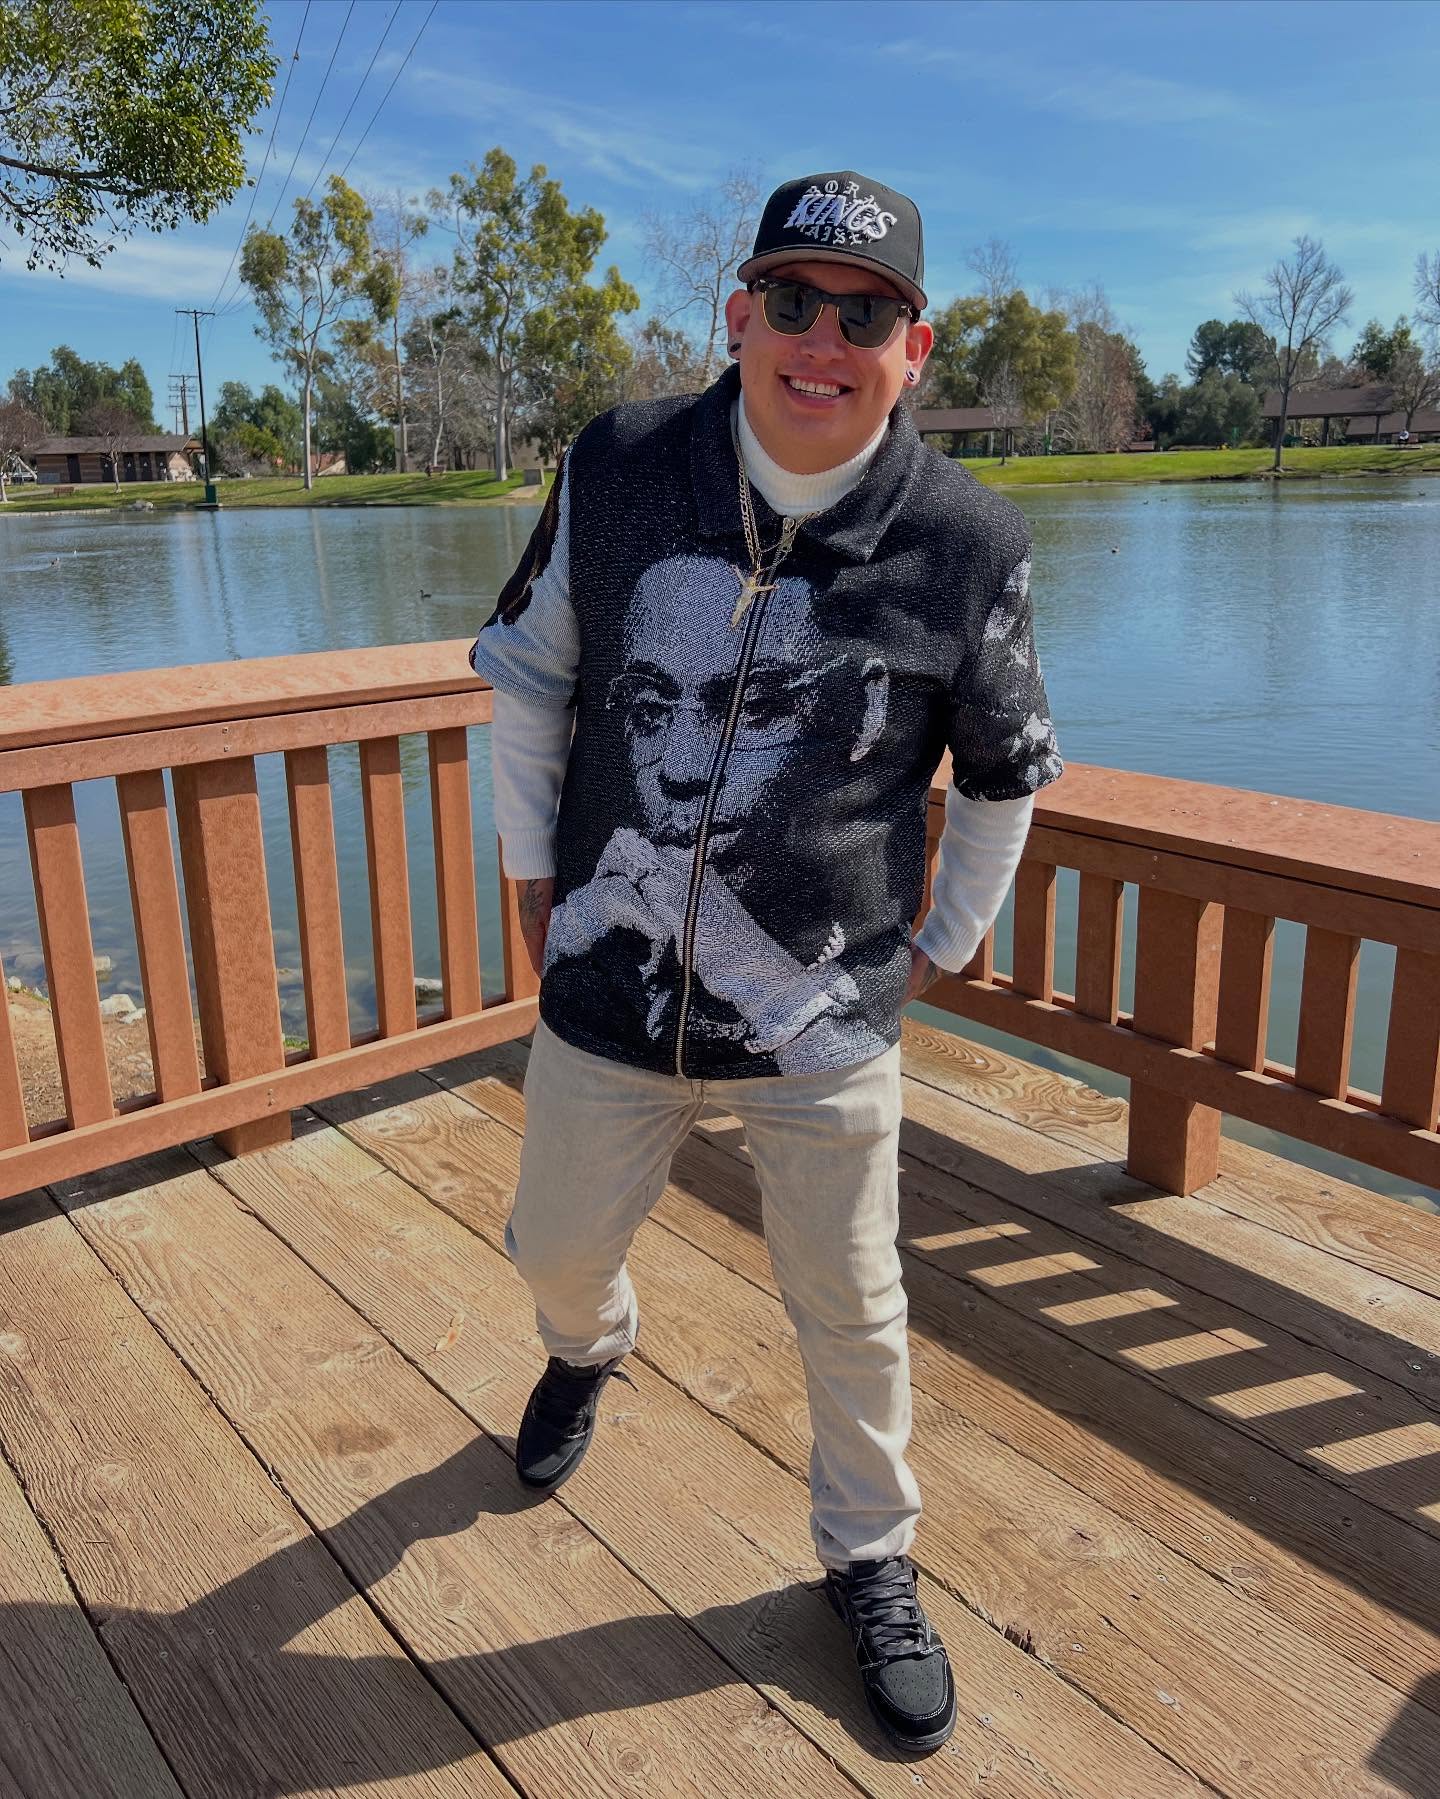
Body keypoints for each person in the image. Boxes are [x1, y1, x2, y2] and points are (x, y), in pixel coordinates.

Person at [469, 169, 1063, 1758]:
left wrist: (940, 944)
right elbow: (530, 681)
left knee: (855, 1310)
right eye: (790, 301)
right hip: (601, 995)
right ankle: (592, 1350)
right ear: (737, 317)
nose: (823, 338)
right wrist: (537, 883)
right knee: (547, 1249)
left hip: (825, 1025)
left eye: (863, 314)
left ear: (914, 348)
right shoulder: (620, 465)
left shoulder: (970, 543)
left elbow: (1006, 773)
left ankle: (869, 1553)